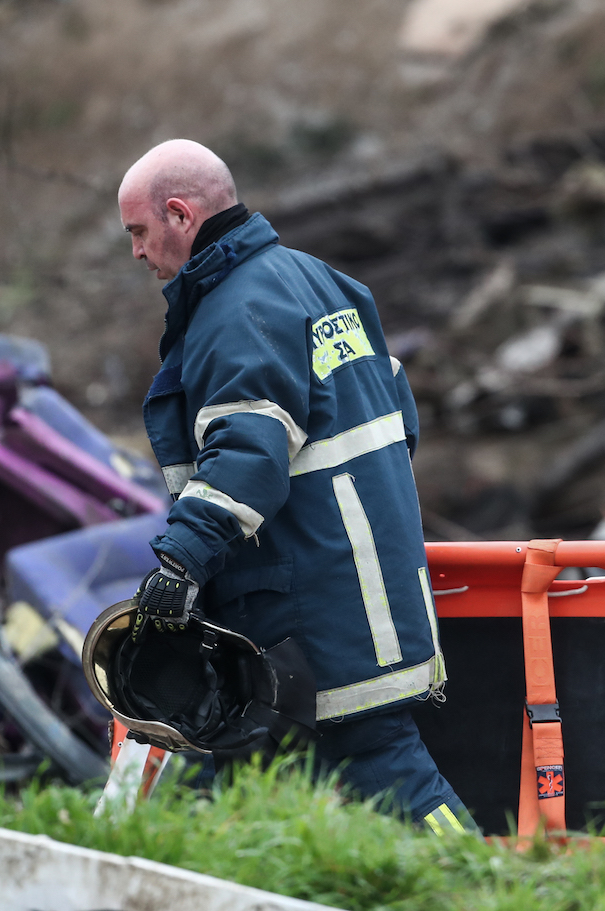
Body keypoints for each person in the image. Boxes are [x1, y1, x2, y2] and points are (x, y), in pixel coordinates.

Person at [116, 139, 473, 835]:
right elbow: (400, 423)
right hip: (368, 591)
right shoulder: (325, 283)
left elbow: (246, 455)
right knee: (242, 782)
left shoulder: (235, 312)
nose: (136, 252)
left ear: (180, 215)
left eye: (138, 231)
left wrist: (180, 562)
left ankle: (480, 880)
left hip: (316, 609)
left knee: (384, 766)